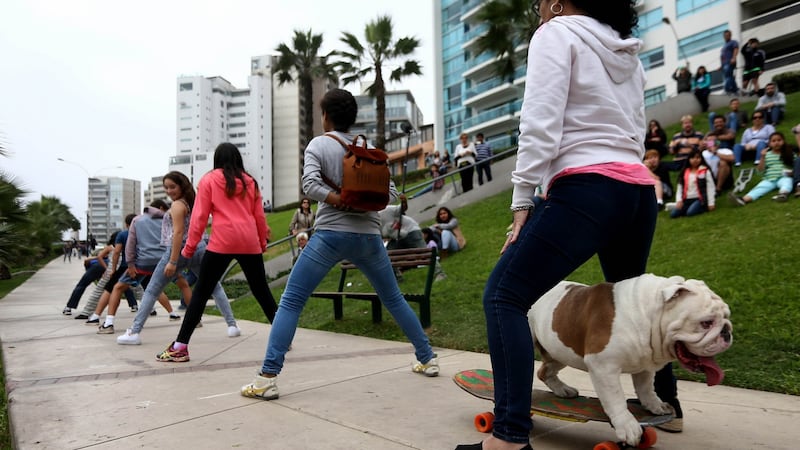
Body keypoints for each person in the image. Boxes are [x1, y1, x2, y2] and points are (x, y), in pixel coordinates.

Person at [455, 2, 679, 449]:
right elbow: (634, 129)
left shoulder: (556, 33)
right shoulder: (625, 51)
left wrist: (522, 201)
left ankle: (510, 436)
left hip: (587, 188)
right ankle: (666, 408)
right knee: (632, 300)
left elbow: (539, 123)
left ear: (557, 0)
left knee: (504, 297)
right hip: (636, 191)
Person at [238, 88, 439, 399]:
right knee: (394, 299)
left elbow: (309, 185)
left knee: (291, 301)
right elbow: (390, 196)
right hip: (370, 238)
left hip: (331, 235)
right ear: (353, 117)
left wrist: (339, 200)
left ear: (325, 116)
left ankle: (267, 377)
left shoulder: (319, 144)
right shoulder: (370, 149)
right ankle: (427, 359)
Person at [156, 143, 279, 362]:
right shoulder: (250, 182)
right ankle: (283, 339)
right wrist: (261, 242)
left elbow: (199, 217)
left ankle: (180, 347)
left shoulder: (209, 179)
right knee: (262, 291)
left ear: (217, 159)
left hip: (222, 242)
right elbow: (259, 216)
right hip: (249, 241)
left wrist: (190, 247)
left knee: (201, 293)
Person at [117, 171, 241, 345]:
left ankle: (134, 332)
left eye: (172, 186)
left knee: (152, 290)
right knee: (214, 287)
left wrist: (173, 261)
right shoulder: (195, 202)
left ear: (182, 185)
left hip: (180, 251)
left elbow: (178, 233)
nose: (168, 190)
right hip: (200, 248)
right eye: (166, 187)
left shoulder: (177, 206)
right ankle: (232, 325)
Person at [730, 132, 795, 205]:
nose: (776, 143)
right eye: (773, 141)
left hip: (784, 176)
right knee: (760, 187)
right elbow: (760, 171)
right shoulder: (767, 155)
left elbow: (797, 165)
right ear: (769, 144)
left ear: (783, 141)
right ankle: (744, 199)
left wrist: (792, 173)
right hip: (769, 178)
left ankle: (783, 194)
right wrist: (762, 157)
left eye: (779, 140)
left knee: (787, 182)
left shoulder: (789, 153)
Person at [62, 233, 115, 315]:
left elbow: (91, 259)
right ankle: (133, 304)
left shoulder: (107, 248)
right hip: (112, 267)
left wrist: (102, 269)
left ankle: (69, 307)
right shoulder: (120, 246)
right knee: (121, 286)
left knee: (81, 285)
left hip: (98, 267)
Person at [671, 149, 716, 218]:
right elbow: (680, 187)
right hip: (686, 199)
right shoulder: (684, 171)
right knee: (673, 214)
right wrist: (679, 200)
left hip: (699, 199)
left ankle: (703, 207)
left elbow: (711, 187)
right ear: (689, 159)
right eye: (692, 158)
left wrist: (711, 203)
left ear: (701, 159)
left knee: (690, 213)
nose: (695, 160)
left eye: (697, 158)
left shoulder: (705, 171)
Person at [701, 115, 736, 194]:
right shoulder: (703, 153)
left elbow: (732, 159)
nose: (712, 143)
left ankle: (718, 189)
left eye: (714, 141)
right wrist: (703, 147)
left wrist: (715, 152)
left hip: (725, 180)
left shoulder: (725, 150)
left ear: (718, 142)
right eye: (709, 141)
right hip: (709, 178)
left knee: (723, 162)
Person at [720, 29, 739, 95]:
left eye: (728, 35)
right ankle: (735, 90)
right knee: (729, 76)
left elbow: (736, 49)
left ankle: (727, 90)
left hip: (730, 62)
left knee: (728, 76)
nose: (726, 36)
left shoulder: (733, 42)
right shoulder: (724, 46)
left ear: (730, 35)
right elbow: (722, 57)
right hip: (724, 64)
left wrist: (733, 58)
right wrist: (721, 65)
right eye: (725, 35)